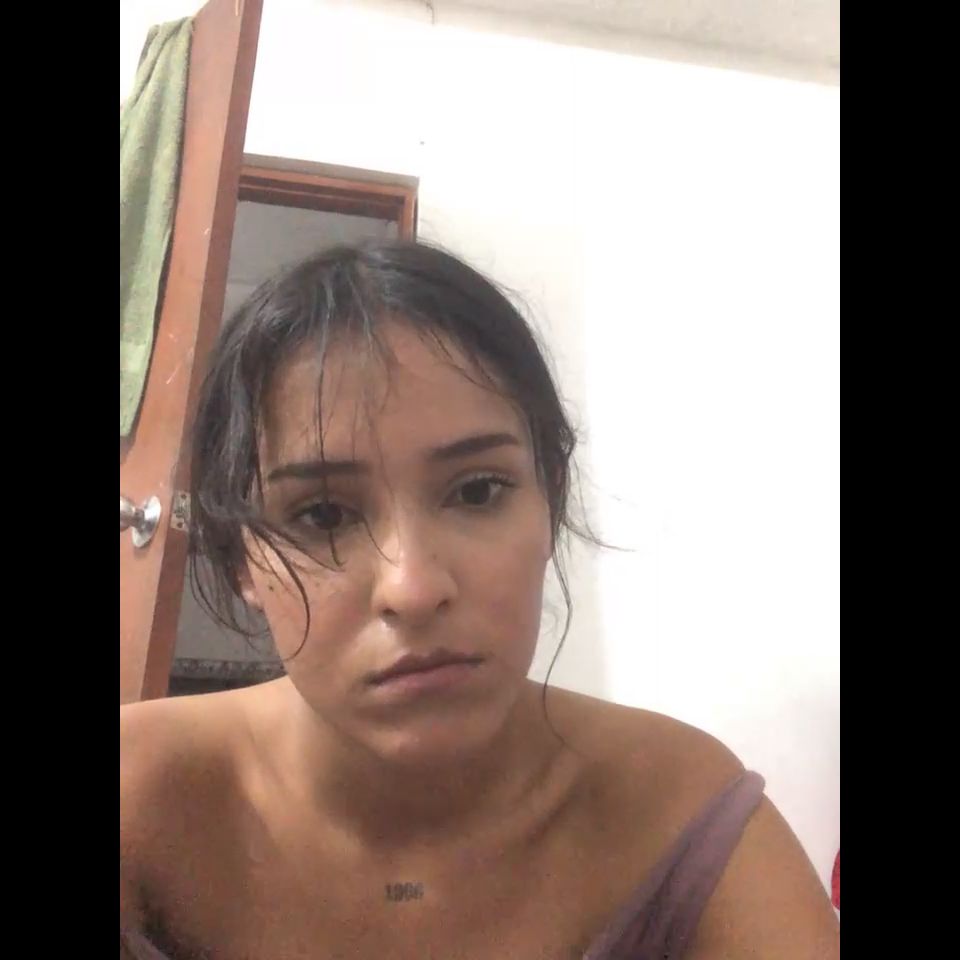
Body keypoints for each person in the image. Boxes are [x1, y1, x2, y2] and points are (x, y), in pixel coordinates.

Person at [120, 240, 839, 959]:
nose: (413, 588)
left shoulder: (679, 811)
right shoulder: (139, 799)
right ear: (238, 557)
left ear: (550, 499)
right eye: (324, 515)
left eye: (476, 491)